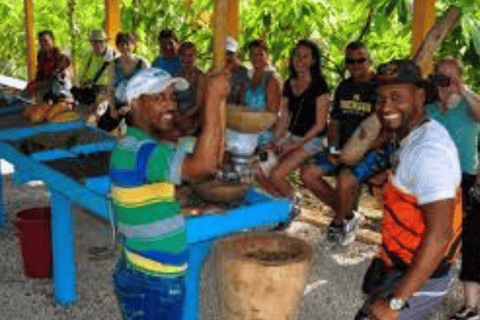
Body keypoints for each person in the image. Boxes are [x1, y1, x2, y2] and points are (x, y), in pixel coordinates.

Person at [109, 67, 229, 319]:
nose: (170, 104)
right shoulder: (141, 152)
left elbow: (211, 159)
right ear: (135, 104)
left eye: (172, 97)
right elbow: (204, 167)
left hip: (145, 273)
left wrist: (218, 106)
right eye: (158, 97)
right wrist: (212, 100)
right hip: (153, 282)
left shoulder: (145, 146)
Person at [354, 59, 462, 320]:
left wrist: (396, 302)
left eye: (396, 97)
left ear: (421, 95)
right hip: (402, 264)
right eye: (380, 99)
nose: (386, 107)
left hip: (422, 278)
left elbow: (439, 235)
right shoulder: (412, 136)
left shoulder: (429, 152)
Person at [299, 42, 389, 247]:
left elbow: (386, 131)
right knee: (308, 172)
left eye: (361, 60)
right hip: (343, 147)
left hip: (372, 149)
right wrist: (333, 147)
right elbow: (335, 123)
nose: (356, 65)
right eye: (351, 61)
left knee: (345, 178)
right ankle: (348, 214)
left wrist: (358, 151)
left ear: (369, 61)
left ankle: (339, 222)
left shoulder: (381, 88)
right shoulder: (344, 87)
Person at [424, 58, 480, 320]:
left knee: (470, 238)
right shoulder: (430, 109)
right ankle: (426, 288)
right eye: (440, 78)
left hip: (465, 180)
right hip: (436, 181)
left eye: (450, 78)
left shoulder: (468, 107)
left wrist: (463, 90)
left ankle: (471, 305)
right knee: (433, 234)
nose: (444, 85)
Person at [255, 40, 330, 200]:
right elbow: (284, 118)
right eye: (297, 55)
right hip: (292, 136)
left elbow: (320, 124)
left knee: (276, 174)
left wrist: (296, 144)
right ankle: (282, 201)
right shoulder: (289, 83)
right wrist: (276, 141)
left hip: (314, 139)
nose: (300, 60)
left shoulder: (319, 84)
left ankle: (293, 202)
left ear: (313, 60)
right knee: (258, 167)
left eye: (305, 56)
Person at [98, 32, 149, 132]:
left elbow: (148, 91)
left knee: (136, 127)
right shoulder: (114, 63)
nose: (125, 47)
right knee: (102, 126)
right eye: (121, 44)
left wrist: (130, 107)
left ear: (133, 45)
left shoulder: (142, 64)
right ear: (117, 46)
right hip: (118, 104)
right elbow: (111, 88)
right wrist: (112, 109)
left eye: (128, 44)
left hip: (137, 105)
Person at [243, 39, 282, 146]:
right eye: (253, 54)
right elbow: (242, 106)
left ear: (267, 55)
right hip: (248, 128)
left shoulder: (272, 79)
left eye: (260, 54)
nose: (256, 58)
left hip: (264, 134)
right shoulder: (248, 78)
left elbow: (272, 115)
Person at [25, 30, 73, 102]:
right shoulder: (41, 55)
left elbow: (62, 75)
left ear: (52, 40)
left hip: (58, 86)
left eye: (46, 41)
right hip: (45, 84)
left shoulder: (60, 55)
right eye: (41, 42)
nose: (43, 44)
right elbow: (40, 72)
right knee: (27, 90)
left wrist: (40, 84)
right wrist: (35, 82)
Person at [175, 41, 206, 135]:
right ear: (179, 57)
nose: (187, 59)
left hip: (194, 120)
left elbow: (199, 105)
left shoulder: (200, 77)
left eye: (190, 55)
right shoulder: (176, 76)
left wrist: (181, 117)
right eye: (184, 55)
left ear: (195, 57)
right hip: (178, 118)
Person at [225, 36, 249, 106]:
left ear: (237, 55)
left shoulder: (245, 74)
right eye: (225, 54)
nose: (227, 57)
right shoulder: (217, 72)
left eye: (230, 54)